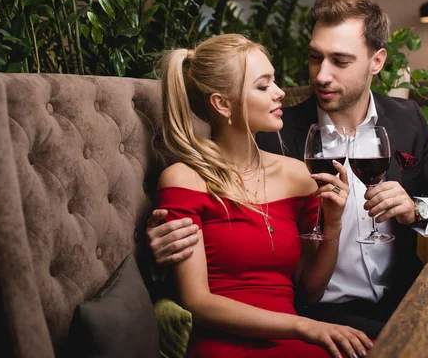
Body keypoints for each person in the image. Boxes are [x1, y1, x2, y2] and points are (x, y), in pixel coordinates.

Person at [148, 0, 428, 339]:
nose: (321, 75)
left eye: (340, 61)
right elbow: (215, 228)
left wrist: (415, 209)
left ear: (377, 61)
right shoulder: (268, 136)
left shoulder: (407, 121)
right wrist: (162, 250)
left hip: (404, 301)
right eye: (314, 58)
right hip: (317, 312)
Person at [154, 33, 373, 358]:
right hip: (223, 343)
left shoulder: (297, 175)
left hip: (295, 339)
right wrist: (303, 327)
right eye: (263, 85)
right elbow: (196, 302)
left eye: (274, 81)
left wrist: (333, 225)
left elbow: (309, 288)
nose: (279, 93)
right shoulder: (184, 179)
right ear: (222, 103)